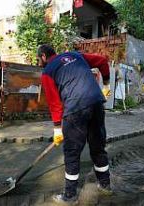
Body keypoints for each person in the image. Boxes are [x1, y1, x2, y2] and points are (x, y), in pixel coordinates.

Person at [37, 44, 111, 204]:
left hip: (75, 109)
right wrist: (106, 84)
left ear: (43, 56)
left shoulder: (47, 72)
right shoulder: (75, 55)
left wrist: (57, 128)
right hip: (96, 103)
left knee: (72, 153)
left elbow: (55, 104)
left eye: (39, 59)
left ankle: (70, 196)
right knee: (98, 147)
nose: (39, 62)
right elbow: (103, 61)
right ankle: (105, 185)